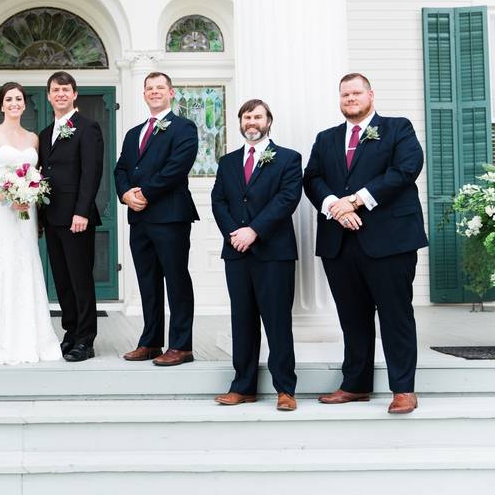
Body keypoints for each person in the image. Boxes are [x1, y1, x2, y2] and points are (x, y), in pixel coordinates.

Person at [303, 73, 428, 415]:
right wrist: (335, 207)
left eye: (356, 92)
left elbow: (406, 170)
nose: (350, 98)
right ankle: (355, 385)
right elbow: (311, 178)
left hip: (390, 240)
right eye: (345, 94)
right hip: (339, 240)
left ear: (371, 94)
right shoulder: (326, 138)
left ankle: (403, 388)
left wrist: (356, 200)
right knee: (352, 317)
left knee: (395, 314)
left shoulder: (397, 128)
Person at [210, 99, 302, 411]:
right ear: (240, 122)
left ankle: (285, 389)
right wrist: (235, 233)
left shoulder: (289, 159)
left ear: (268, 121)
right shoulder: (227, 162)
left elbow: (287, 199)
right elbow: (218, 201)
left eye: (258, 117)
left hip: (274, 252)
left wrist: (255, 231)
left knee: (277, 321)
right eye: (247, 117)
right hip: (237, 252)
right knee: (243, 321)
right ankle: (243, 386)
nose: (252, 122)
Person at [0, 82, 63, 364]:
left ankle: (30, 336)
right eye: (9, 99)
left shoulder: (34, 138)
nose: (14, 103)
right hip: (0, 210)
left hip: (26, 210)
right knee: (0, 263)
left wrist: (30, 195)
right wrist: (8, 199)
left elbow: (37, 175)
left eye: (18, 99)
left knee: (25, 263)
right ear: (1, 105)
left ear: (24, 104)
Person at [114, 72, 199, 367]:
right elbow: (121, 168)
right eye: (149, 88)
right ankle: (150, 342)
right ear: (143, 94)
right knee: (147, 281)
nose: (154, 92)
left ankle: (181, 345)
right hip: (138, 218)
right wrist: (125, 194)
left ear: (171, 93)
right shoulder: (133, 132)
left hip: (170, 216)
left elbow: (177, 168)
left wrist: (145, 193)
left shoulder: (184, 128)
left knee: (176, 280)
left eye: (160, 87)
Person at [37, 71, 104, 362]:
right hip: (52, 217)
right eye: (55, 90)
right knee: (62, 281)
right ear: (49, 96)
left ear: (75, 94)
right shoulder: (44, 133)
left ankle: (86, 340)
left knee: (80, 279)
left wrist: (82, 211)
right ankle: (70, 331)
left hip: (77, 218)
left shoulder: (88, 128)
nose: (61, 94)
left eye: (66, 89)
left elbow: (92, 172)